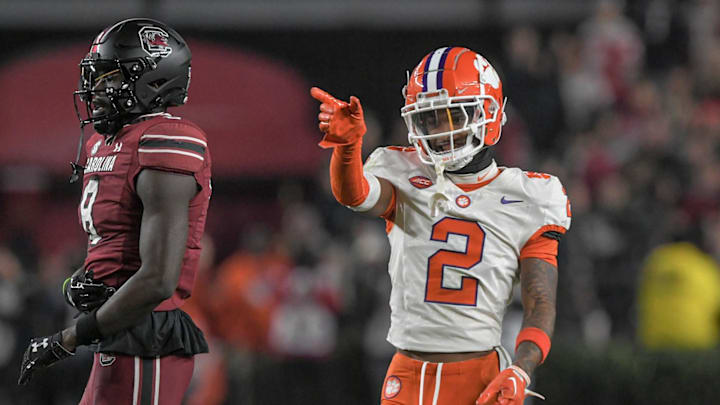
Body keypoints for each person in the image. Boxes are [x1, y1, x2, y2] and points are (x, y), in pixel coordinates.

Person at [311, 46, 571, 405]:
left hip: (480, 375)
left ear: (489, 112)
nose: (441, 130)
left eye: (454, 115)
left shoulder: (529, 197)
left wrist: (522, 368)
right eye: (431, 118)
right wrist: (346, 148)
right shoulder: (404, 174)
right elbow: (355, 195)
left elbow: (540, 301)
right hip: (407, 372)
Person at [18, 18, 212, 405]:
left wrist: (68, 338)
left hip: (147, 332)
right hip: (119, 327)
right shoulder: (105, 143)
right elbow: (116, 239)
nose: (97, 90)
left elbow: (158, 279)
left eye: (111, 78)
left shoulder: (166, 139)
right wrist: (84, 280)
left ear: (154, 79)